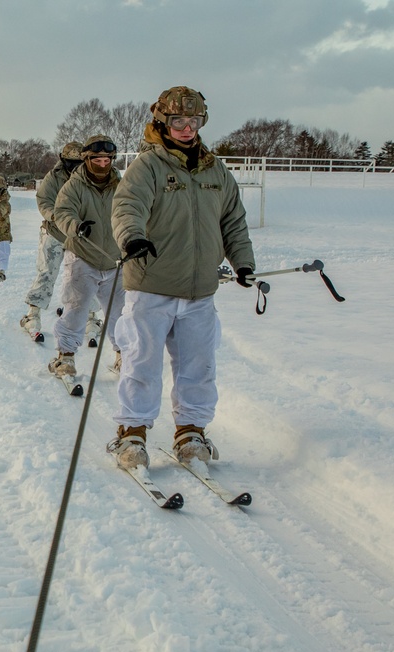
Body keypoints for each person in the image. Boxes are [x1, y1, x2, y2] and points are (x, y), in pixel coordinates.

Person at [107, 85, 255, 470]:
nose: (187, 128)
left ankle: (191, 431)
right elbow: (127, 206)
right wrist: (132, 236)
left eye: (194, 120)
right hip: (151, 285)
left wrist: (242, 262)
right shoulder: (149, 165)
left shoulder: (215, 170)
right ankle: (133, 433)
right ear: (162, 121)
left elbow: (232, 221)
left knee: (199, 365)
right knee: (141, 362)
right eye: (178, 121)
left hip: (200, 292)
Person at [49, 135, 124, 378]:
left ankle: (124, 355)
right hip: (84, 257)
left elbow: (134, 210)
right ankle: (66, 357)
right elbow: (62, 212)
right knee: (76, 308)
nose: (103, 164)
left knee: (121, 313)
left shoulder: (120, 184)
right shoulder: (74, 185)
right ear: (87, 159)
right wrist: (75, 226)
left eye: (107, 159)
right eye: (97, 159)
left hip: (115, 260)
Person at [20, 142, 102, 339]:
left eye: (77, 162)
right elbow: (43, 200)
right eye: (69, 162)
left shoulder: (91, 177)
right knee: (47, 272)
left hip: (82, 235)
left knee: (84, 275)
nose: (73, 167)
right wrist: (57, 217)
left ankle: (90, 316)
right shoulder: (54, 177)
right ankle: (34, 313)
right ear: (62, 159)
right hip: (55, 232)